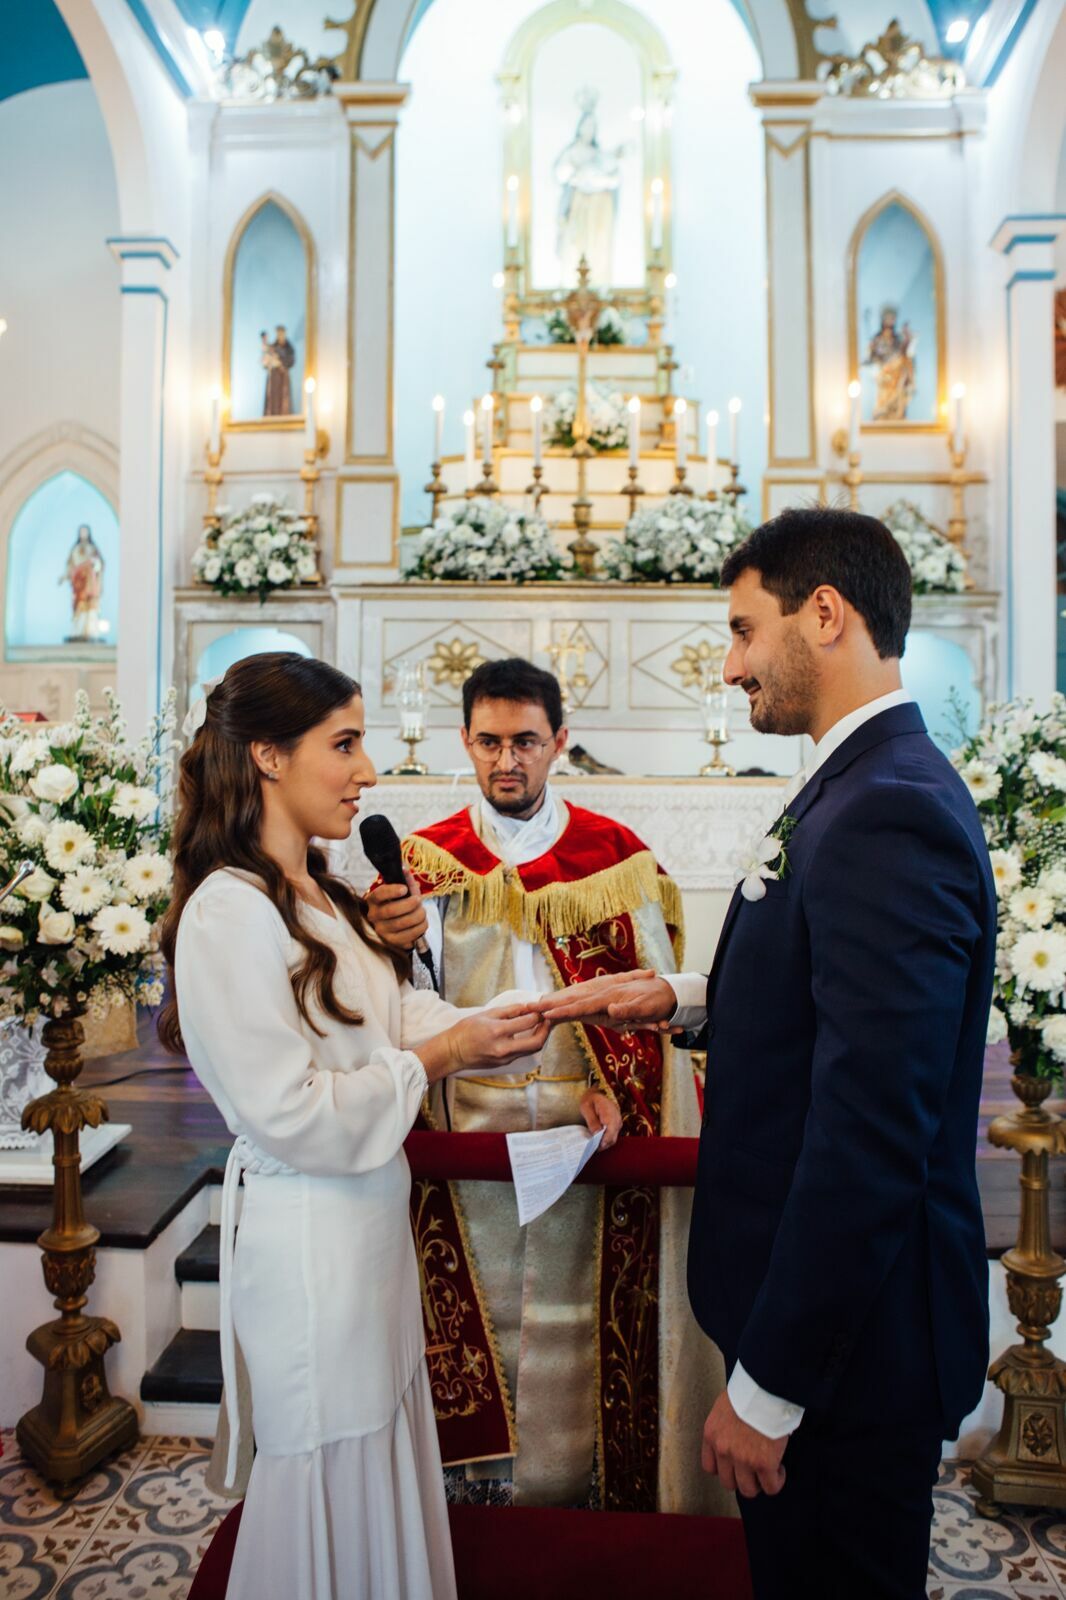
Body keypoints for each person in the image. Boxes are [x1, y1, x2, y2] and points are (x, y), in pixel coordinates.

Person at [534, 507, 996, 1598]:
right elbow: (832, 1003)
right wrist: (689, 998)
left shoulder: (886, 807)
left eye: (745, 630)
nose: (731, 664)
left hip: (846, 1357)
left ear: (823, 614)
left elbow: (872, 1128)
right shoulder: (858, 780)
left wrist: (771, 1386)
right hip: (838, 1338)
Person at [159, 653, 554, 1600]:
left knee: (380, 1441)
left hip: (367, 1234)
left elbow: (382, 1023)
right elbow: (293, 1113)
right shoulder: (227, 912)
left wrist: (485, 1027)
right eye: (344, 744)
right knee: (327, 1470)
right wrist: (441, 1058)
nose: (368, 770)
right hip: (308, 1246)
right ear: (265, 756)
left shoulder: (319, 893)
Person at [367, 657, 727, 1516]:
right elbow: (397, 1004)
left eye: (525, 742)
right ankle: (469, 1511)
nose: (506, 762)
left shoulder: (615, 860)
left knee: (573, 1330)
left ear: (559, 742)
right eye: (488, 742)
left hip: (584, 1141)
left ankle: (583, 1499)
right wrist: (388, 942)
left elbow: (648, 1015)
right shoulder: (424, 866)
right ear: (464, 741)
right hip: (464, 1144)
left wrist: (623, 1093)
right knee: (478, 1323)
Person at [60, 524, 104, 643]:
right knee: (79, 607)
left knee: (90, 607)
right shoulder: (74, 549)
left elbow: (99, 564)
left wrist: (94, 565)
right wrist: (65, 576)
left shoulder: (93, 549)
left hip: (89, 582)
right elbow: (70, 565)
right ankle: (77, 632)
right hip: (78, 583)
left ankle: (91, 632)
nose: (83, 534)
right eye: (81, 532)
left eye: (85, 532)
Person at [261, 324, 295, 416]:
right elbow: (265, 362)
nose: (280, 336)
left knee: (283, 400)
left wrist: (280, 362)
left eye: (282, 333)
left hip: (283, 378)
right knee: (273, 400)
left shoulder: (289, 348)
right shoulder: (272, 347)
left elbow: (291, 361)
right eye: (278, 334)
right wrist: (268, 361)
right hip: (274, 377)